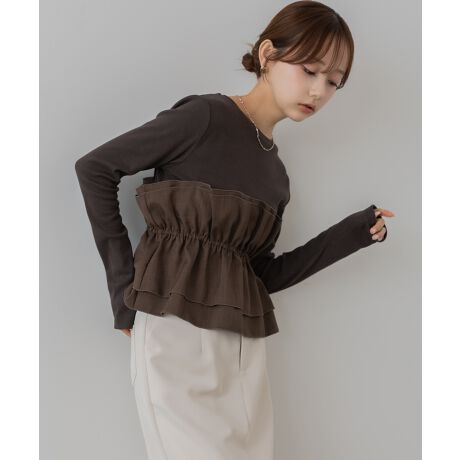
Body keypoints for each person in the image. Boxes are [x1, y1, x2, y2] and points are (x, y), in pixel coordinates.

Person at [74, 1, 394, 459]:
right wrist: (124, 293)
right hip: (173, 331)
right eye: (309, 70)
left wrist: (351, 235)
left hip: (242, 349)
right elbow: (95, 168)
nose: (319, 90)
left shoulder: (277, 178)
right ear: (267, 54)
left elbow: (260, 275)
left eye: (333, 82)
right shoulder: (204, 117)